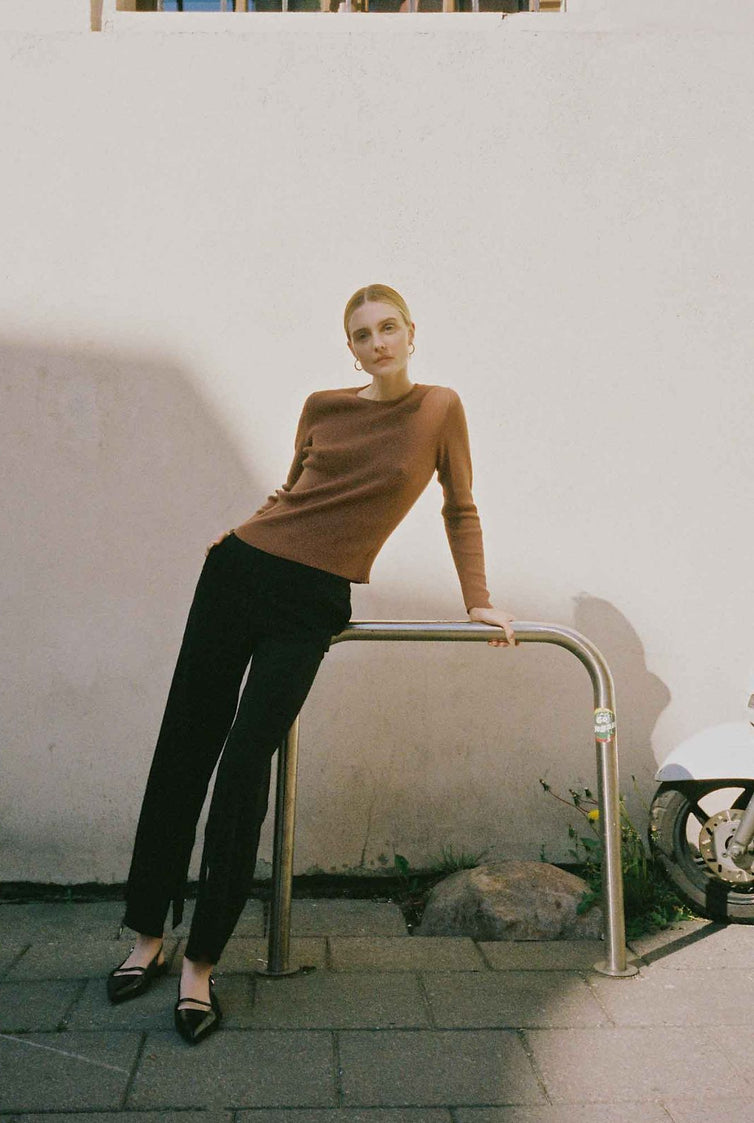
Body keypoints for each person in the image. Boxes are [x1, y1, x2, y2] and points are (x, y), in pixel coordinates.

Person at [107, 283, 516, 1045]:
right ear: (351, 348)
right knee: (185, 745)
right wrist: (238, 531)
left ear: (412, 332)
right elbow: (294, 490)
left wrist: (479, 600)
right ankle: (147, 935)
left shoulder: (440, 408)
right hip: (238, 573)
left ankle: (201, 962)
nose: (377, 342)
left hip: (311, 603)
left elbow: (459, 506)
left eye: (388, 327)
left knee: (242, 765)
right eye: (362, 334)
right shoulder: (322, 405)